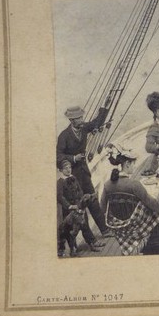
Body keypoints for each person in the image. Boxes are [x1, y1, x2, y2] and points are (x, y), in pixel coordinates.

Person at [56, 98, 111, 236]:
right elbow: (58, 156)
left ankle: (104, 230)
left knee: (92, 200)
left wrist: (105, 106)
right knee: (79, 208)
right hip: (73, 177)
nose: (81, 120)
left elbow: (97, 122)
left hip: (84, 173)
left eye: (81, 117)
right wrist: (73, 158)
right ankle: (90, 239)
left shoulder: (84, 128)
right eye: (78, 118)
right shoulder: (64, 136)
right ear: (72, 120)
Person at [57, 159, 105, 256]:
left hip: (79, 207)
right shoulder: (60, 182)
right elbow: (60, 197)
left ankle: (92, 242)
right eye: (66, 168)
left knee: (85, 225)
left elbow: (80, 190)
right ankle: (73, 248)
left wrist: (81, 203)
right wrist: (69, 206)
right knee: (71, 230)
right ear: (61, 170)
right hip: (69, 210)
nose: (68, 170)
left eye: (70, 168)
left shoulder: (73, 177)